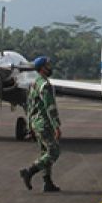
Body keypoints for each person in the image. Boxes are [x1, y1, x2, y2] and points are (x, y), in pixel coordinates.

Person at [20, 56, 62, 192]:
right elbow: (50, 107)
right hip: (44, 124)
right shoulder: (45, 85)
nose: (50, 67)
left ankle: (47, 183)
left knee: (45, 152)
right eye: (48, 65)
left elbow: (29, 106)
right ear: (42, 68)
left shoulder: (34, 84)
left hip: (35, 123)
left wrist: (30, 126)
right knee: (54, 151)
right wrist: (56, 126)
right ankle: (29, 172)